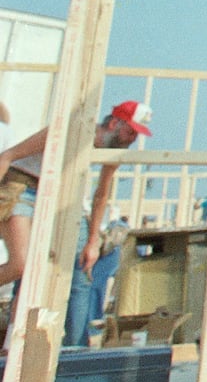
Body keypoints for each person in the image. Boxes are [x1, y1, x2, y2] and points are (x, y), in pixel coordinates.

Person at [0, 100, 152, 344]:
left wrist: (93, 242)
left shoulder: (113, 151)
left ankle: (68, 348)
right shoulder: (75, 129)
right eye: (130, 131)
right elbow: (9, 156)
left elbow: (101, 195)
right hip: (24, 185)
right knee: (23, 266)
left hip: (61, 199)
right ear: (114, 123)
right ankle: (17, 343)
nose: (132, 138)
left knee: (80, 273)